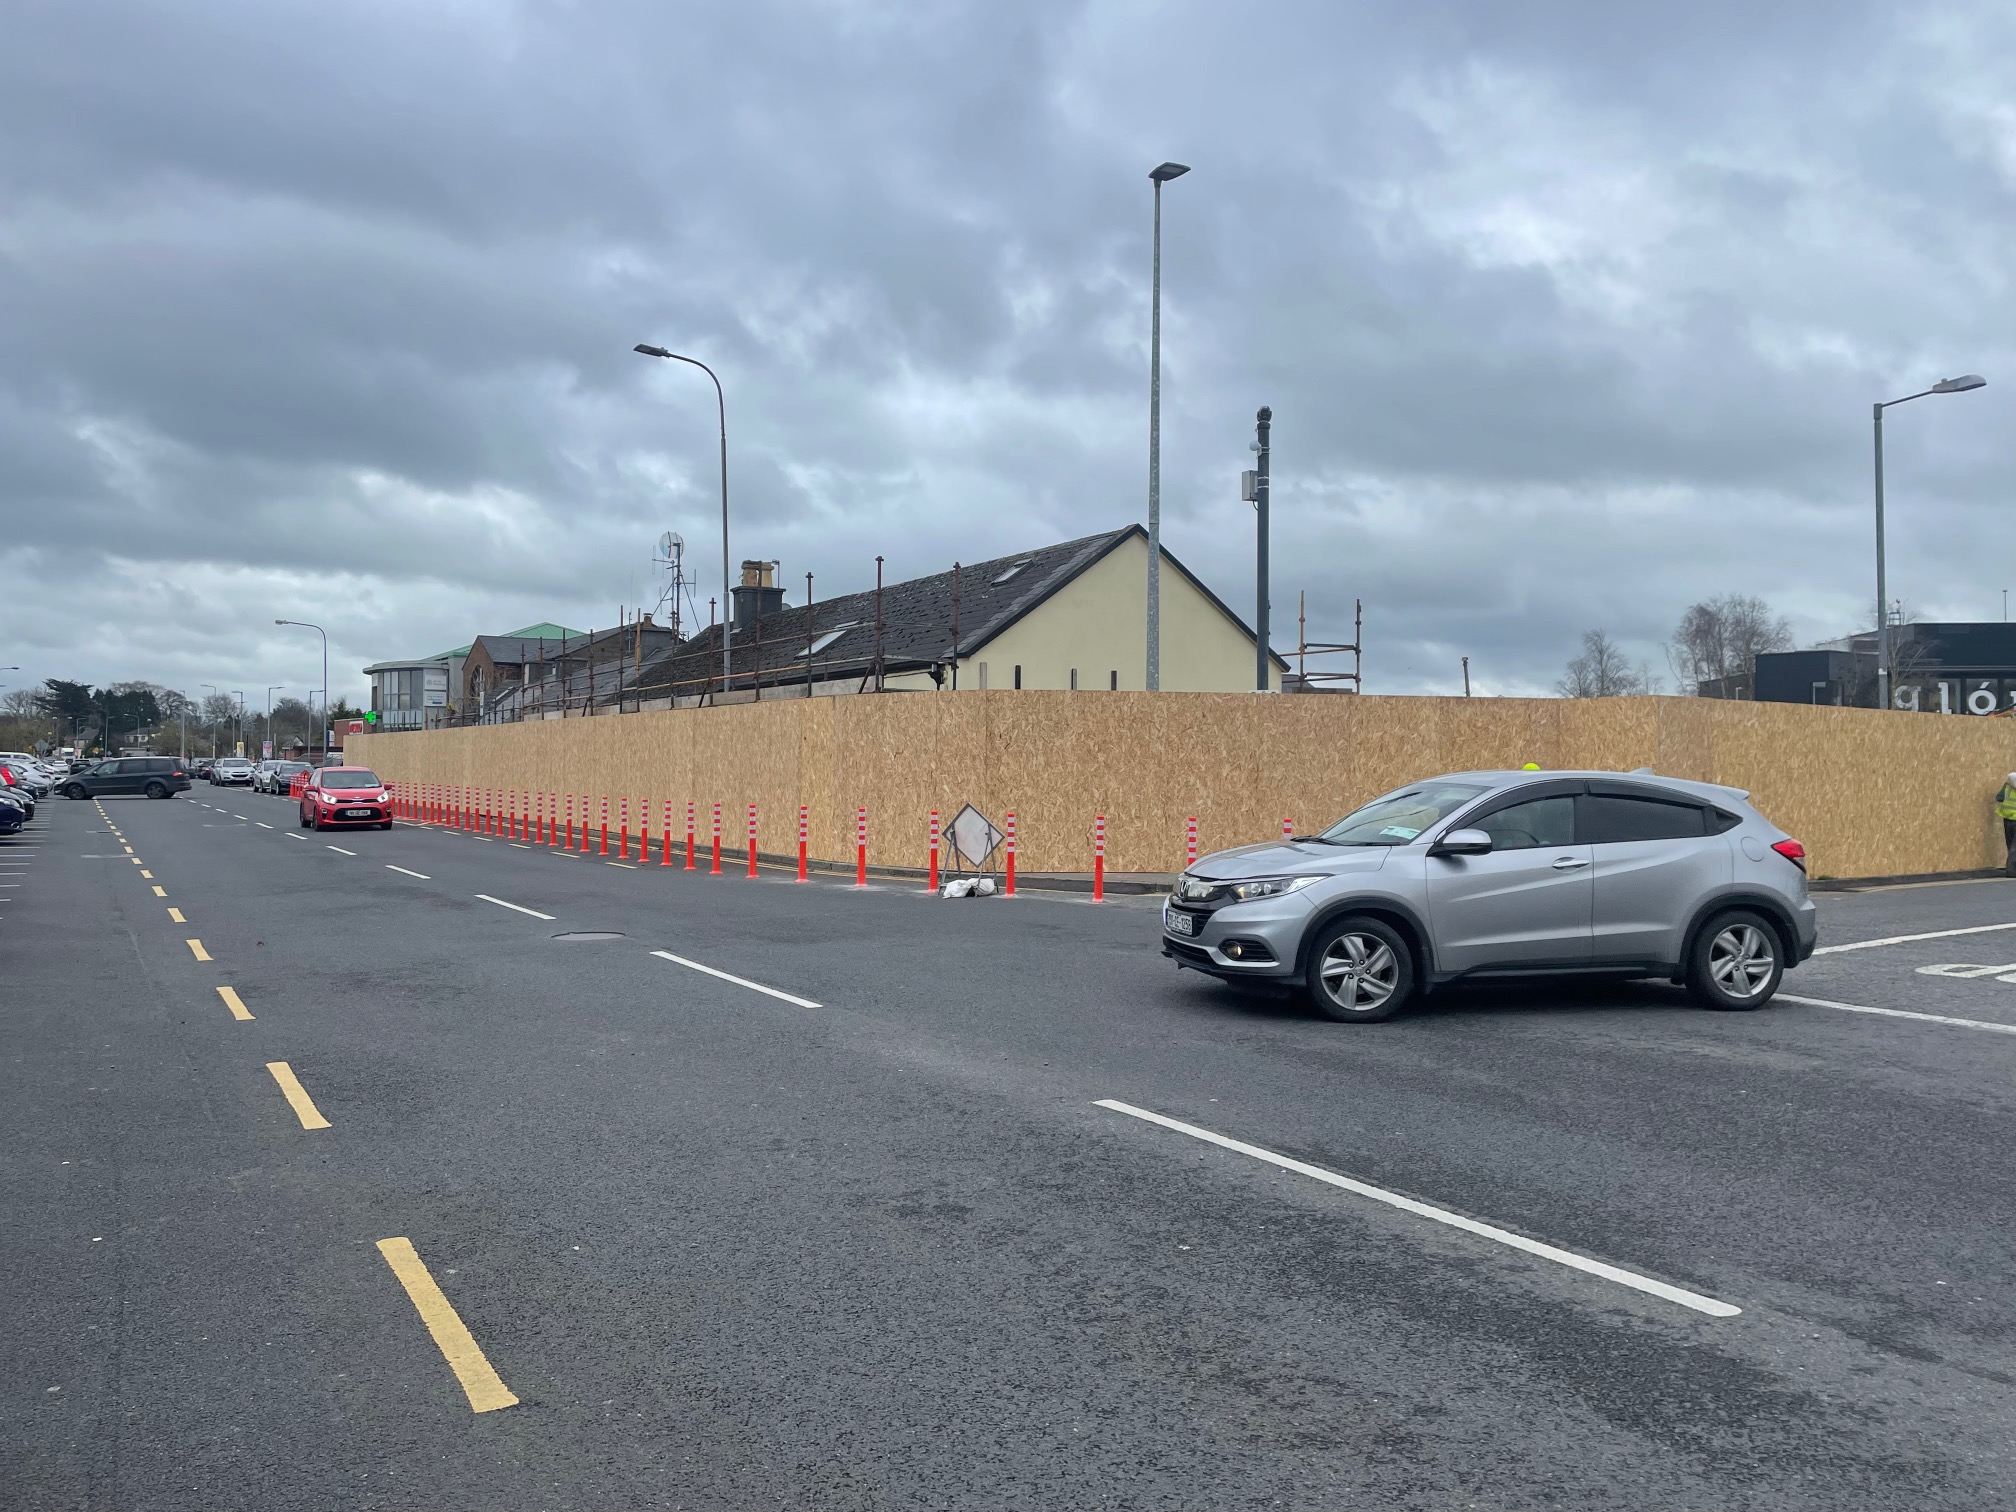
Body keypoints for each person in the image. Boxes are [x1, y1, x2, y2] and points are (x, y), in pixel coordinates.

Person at [1999, 773, 2016, 875]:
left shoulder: (2008, 784)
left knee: (2010, 844)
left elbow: (1999, 797)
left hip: (2007, 818)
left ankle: (2012, 867)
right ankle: (2012, 870)